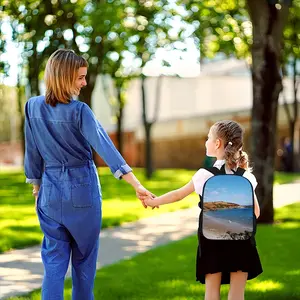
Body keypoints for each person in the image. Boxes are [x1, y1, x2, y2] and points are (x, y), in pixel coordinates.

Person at [24, 48, 153, 300]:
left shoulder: (32, 107)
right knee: (83, 264)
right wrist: (136, 184)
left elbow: (32, 152)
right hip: (82, 191)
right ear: (64, 77)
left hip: (49, 193)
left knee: (53, 265)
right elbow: (107, 148)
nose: (84, 83)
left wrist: (37, 188)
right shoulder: (79, 111)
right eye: (80, 78)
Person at [144, 120, 263, 300]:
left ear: (217, 144)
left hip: (212, 242)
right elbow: (256, 212)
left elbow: (178, 195)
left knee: (211, 294)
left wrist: (154, 202)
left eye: (208, 138)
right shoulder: (246, 176)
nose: (206, 142)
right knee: (237, 294)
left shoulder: (205, 175)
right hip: (241, 241)